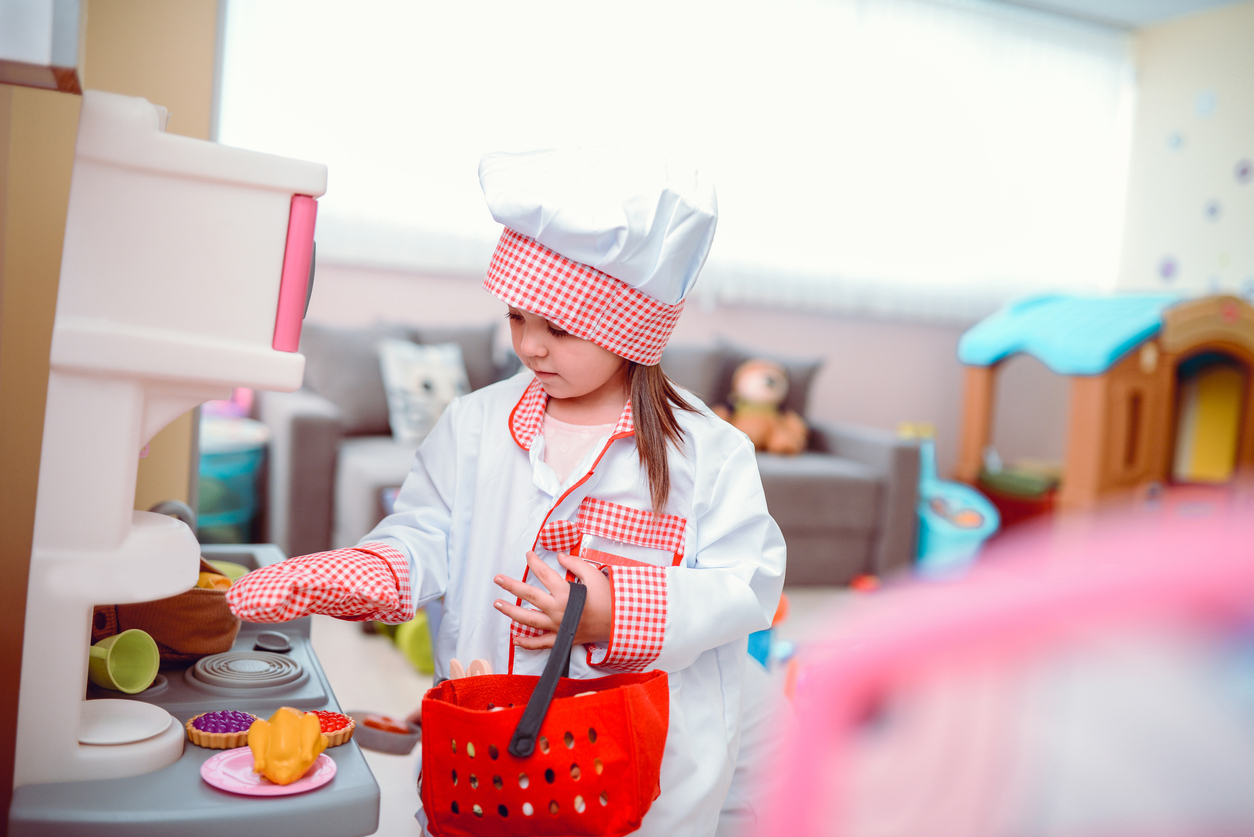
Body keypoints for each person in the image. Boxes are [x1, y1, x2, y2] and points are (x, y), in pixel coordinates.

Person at [227, 147, 786, 836]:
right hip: (485, 744)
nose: (531, 346)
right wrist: (377, 568)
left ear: (629, 329)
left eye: (559, 328)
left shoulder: (708, 452)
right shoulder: (474, 424)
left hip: (635, 767)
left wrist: (615, 610)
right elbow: (428, 530)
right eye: (518, 318)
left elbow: (746, 582)